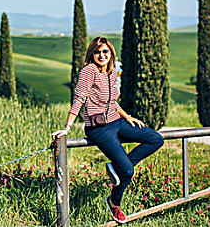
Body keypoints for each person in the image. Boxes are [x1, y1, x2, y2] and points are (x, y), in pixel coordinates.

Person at [52, 36, 164, 224]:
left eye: (105, 51)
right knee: (127, 172)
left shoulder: (112, 73)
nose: (101, 55)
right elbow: (79, 98)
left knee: (155, 139)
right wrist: (67, 127)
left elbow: (112, 102)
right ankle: (114, 202)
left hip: (117, 121)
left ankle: (116, 166)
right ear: (92, 54)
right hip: (99, 129)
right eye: (97, 51)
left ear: (111, 52)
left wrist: (127, 117)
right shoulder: (89, 71)